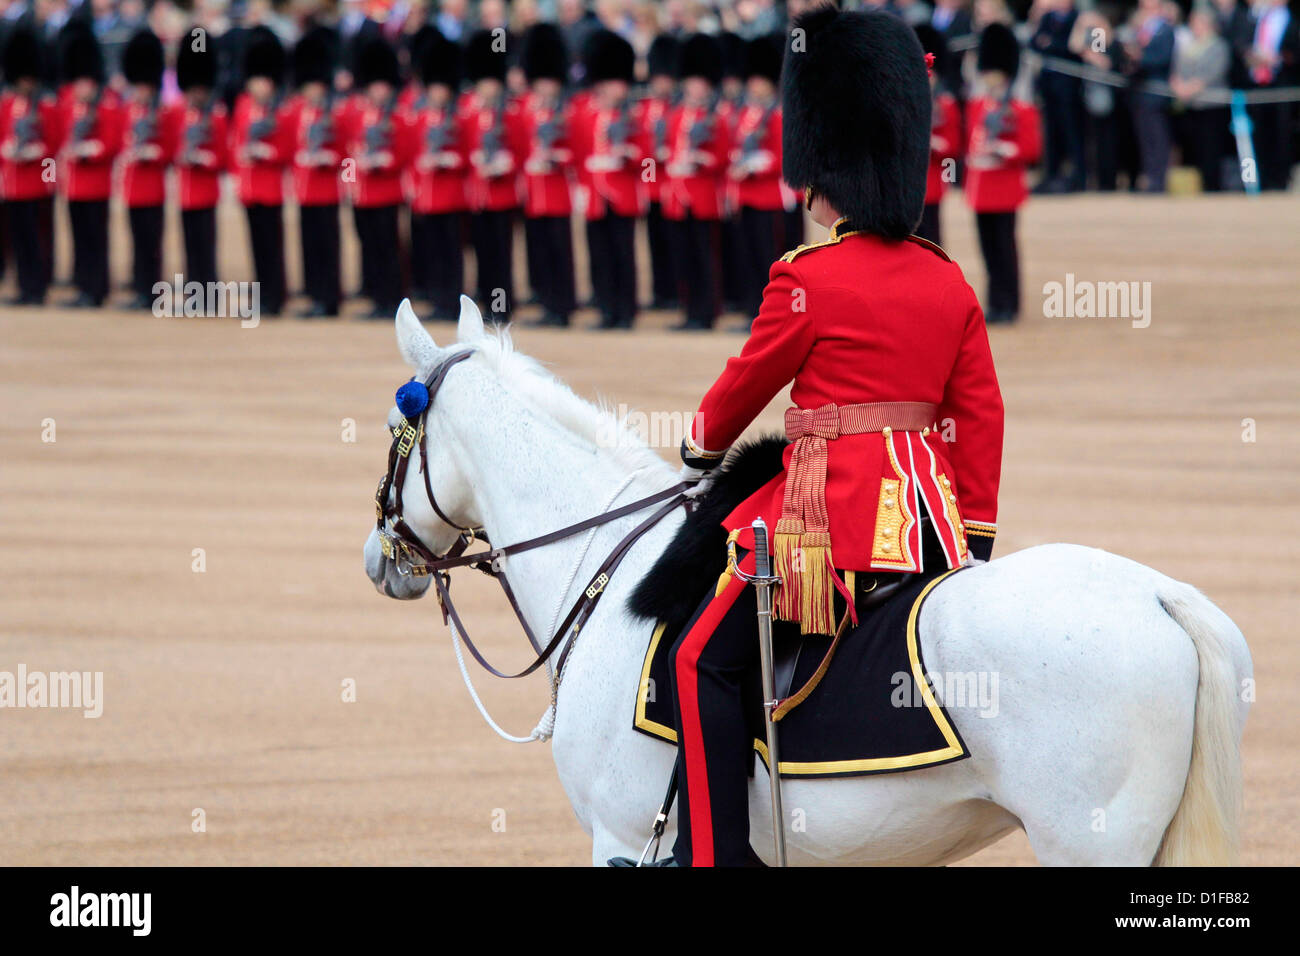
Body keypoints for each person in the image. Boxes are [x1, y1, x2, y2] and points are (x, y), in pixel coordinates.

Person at [644, 6, 1003, 868]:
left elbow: (743, 385)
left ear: (821, 176)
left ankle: (716, 860)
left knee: (697, 658)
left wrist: (699, 445)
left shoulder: (809, 277)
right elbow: (980, 416)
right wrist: (976, 534)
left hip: (826, 518)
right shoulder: (948, 282)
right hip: (928, 520)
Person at [964, 22, 1041, 324]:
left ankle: (1010, 303)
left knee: (1005, 249)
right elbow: (971, 143)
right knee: (988, 252)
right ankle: (995, 302)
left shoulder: (1021, 109)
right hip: (982, 187)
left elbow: (1032, 149)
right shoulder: (977, 106)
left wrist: (1007, 151)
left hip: (1005, 186)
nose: (992, 83)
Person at [573, 28, 642, 330]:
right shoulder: (583, 112)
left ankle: (626, 311)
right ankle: (606, 309)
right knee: (599, 256)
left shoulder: (634, 114)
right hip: (594, 196)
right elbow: (576, 152)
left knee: (623, 254)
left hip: (622, 193)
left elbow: (649, 158)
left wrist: (631, 154)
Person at [344, 35, 415, 319]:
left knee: (389, 248)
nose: (379, 90)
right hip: (362, 192)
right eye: (374, 85)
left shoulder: (397, 115)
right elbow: (347, 152)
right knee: (370, 246)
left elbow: (405, 152)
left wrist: (385, 162)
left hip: (387, 191)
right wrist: (350, 181)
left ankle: (392, 299)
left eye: (383, 85)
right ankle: (377, 297)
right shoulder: (357, 113)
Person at [663, 33, 730, 331]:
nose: (696, 87)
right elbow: (661, 155)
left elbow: (723, 157)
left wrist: (705, 161)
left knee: (705, 257)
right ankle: (689, 311)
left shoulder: (717, 117)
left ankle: (707, 312)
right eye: (692, 82)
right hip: (677, 197)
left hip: (703, 195)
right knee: (683, 258)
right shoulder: (675, 116)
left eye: (701, 83)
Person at [56, 22, 123, 309]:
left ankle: (97, 289)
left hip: (96, 183)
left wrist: (90, 150)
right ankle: (83, 286)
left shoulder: (106, 105)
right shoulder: (68, 103)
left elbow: (112, 142)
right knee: (80, 240)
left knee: (96, 240)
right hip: (73, 184)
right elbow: (58, 137)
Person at [407, 25, 468, 322]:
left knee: (452, 253)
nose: (437, 93)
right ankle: (436, 298)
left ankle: (452, 300)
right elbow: (410, 155)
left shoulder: (458, 118)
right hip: (426, 196)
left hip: (452, 195)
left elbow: (468, 156)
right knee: (431, 252)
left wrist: (449, 159)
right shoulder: (418, 118)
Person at [517, 22, 577, 328]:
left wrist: (556, 158)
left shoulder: (567, 110)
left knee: (559, 251)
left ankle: (563, 306)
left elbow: (578, 151)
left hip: (557, 192)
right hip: (533, 192)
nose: (544, 87)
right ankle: (546, 303)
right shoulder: (525, 108)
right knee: (538, 252)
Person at [461, 27, 522, 321]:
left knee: (501, 256)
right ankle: (486, 305)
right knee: (482, 254)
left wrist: (505, 163)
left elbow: (521, 149)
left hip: (502, 194)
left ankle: (502, 308)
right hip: (477, 195)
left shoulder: (510, 112)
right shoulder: (468, 112)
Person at [119, 28, 180, 310]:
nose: (141, 90)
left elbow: (170, 149)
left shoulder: (162, 113)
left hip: (152, 186)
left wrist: (152, 152)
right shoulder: (129, 110)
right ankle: (139, 288)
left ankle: (152, 291)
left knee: (151, 244)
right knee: (136, 241)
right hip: (132, 187)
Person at [231, 25, 290, 317]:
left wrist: (269, 153)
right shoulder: (243, 106)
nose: (259, 86)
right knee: (256, 246)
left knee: (271, 246)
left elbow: (288, 148)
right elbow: (236, 141)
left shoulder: (280, 110)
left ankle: (276, 296)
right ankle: (263, 296)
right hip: (250, 188)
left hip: (270, 187)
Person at [725, 32, 784, 322]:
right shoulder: (745, 113)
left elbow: (781, 157)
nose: (754, 85)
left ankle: (770, 315)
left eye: (759, 80)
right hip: (745, 196)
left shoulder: (778, 114)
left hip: (768, 197)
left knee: (766, 259)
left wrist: (752, 167)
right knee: (747, 258)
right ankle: (753, 312)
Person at [0, 25, 58, 305]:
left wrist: (43, 164)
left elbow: (54, 146)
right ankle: (24, 287)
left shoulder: (45, 107)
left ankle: (37, 287)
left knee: (36, 241)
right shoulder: (8, 105)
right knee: (19, 242)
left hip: (36, 183)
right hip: (13, 184)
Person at [288, 25, 343, 318]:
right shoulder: (297, 110)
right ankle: (314, 296)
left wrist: (336, 168)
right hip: (305, 191)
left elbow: (348, 155)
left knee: (327, 248)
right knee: (309, 247)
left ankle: (329, 298)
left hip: (327, 190)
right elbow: (290, 148)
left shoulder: (334, 113)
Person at [174, 31, 227, 295]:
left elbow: (224, 154)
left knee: (206, 245)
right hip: (185, 192)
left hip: (206, 191)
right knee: (190, 245)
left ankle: (209, 292)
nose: (196, 93)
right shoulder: (178, 114)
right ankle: (194, 291)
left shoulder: (215, 116)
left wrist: (205, 159)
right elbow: (170, 147)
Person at [1170, 5, 1231, 193]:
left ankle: (1213, 186)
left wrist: (1191, 87)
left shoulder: (1218, 45)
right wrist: (1178, 85)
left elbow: (1214, 72)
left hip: (1211, 105)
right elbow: (1177, 70)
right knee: (1193, 147)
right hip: (1191, 105)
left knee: (1211, 148)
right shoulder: (1188, 46)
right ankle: (1198, 185)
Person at [642, 33, 681, 311]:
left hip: (674, 186)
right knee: (654, 242)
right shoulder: (644, 109)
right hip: (651, 186)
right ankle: (660, 291)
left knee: (673, 241)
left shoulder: (677, 108)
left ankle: (677, 291)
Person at [1030, 0, 1086, 193]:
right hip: (1048, 86)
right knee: (1051, 133)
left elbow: (1074, 48)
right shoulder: (1047, 17)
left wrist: (1051, 43)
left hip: (1069, 88)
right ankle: (1051, 175)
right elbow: (1035, 42)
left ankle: (1078, 177)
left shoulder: (1079, 17)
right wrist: (1052, 44)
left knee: (1072, 133)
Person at [915, 23, 961, 246]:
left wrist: (934, 144)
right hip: (907, 187)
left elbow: (953, 147)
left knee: (931, 240)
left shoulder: (945, 105)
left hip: (932, 182)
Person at [1246, 0, 1298, 191]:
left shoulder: (1292, 19)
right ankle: (1262, 180)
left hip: (1282, 85)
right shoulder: (1257, 18)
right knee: (1259, 135)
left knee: (1282, 135)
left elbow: (1294, 51)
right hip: (1258, 84)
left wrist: (1280, 58)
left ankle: (1281, 180)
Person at [1125, 0, 1176, 192]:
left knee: (1158, 137)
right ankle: (1150, 177)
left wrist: (1140, 58)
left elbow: (1163, 58)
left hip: (1156, 92)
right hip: (1140, 92)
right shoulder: (1140, 30)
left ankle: (1159, 180)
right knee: (1145, 138)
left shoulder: (1166, 30)